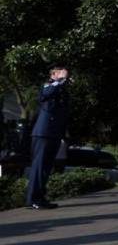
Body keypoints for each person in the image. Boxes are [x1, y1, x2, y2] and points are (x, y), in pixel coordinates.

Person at [25, 65, 71, 209]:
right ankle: (33, 199)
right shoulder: (48, 85)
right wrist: (60, 80)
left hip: (54, 133)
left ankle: (40, 198)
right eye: (60, 72)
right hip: (43, 133)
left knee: (46, 168)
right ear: (53, 74)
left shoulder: (60, 88)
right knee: (39, 167)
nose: (64, 75)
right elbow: (45, 94)